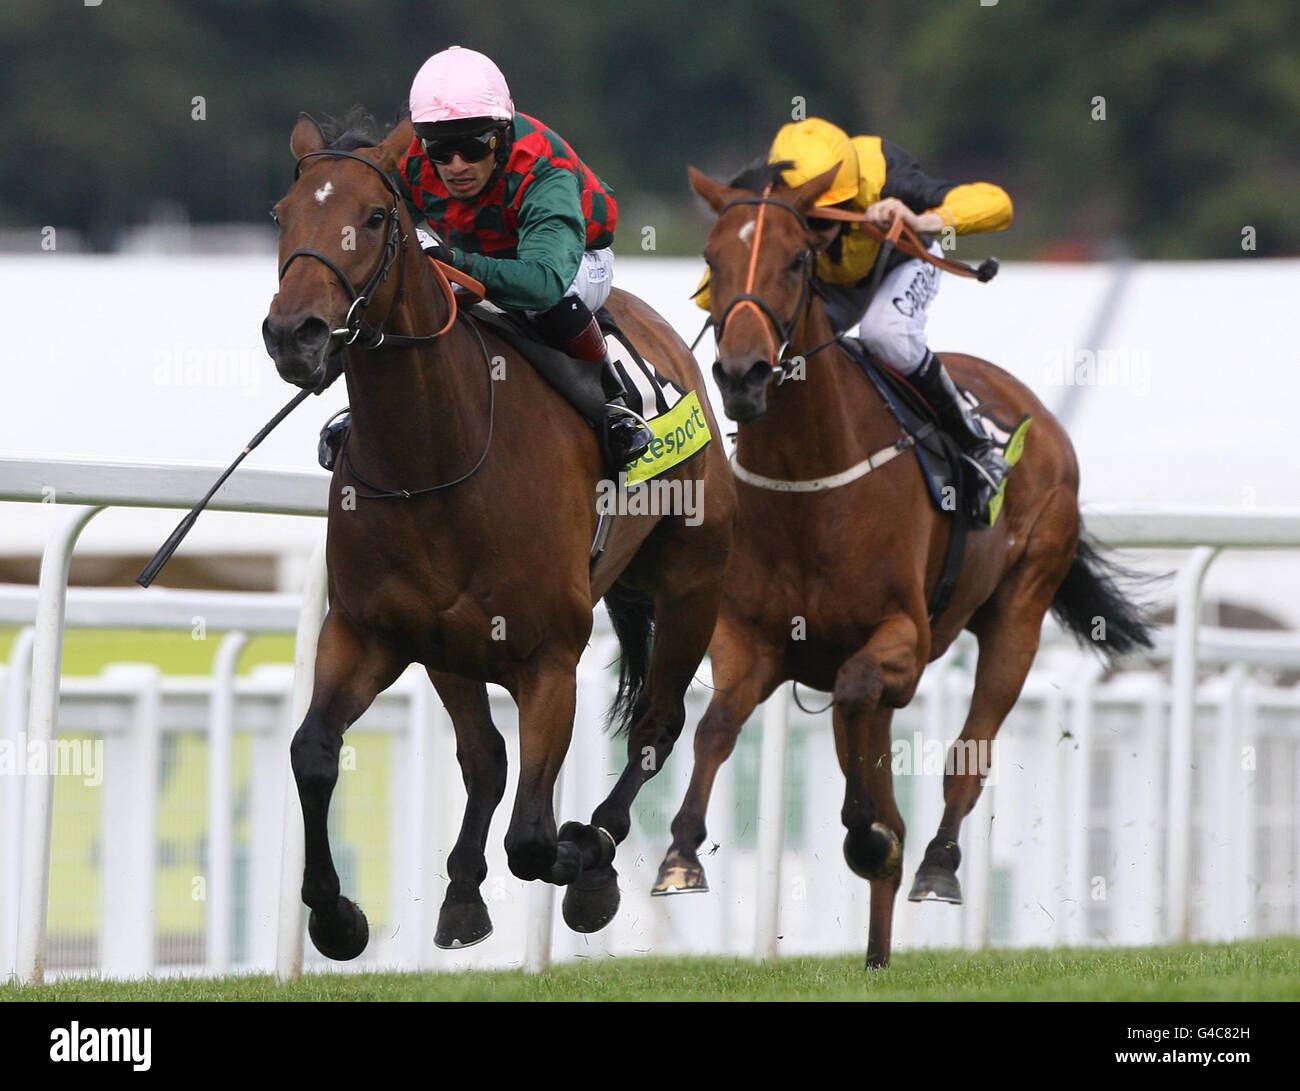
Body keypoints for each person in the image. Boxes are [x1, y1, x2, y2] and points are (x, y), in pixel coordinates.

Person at [320, 46, 652, 472]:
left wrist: (454, 261)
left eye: (474, 146)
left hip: (572, 261)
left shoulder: (543, 169)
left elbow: (542, 280)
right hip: (478, 252)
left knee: (541, 304)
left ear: (502, 134)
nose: (456, 165)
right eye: (441, 151)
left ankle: (610, 406)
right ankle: (368, 412)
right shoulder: (412, 162)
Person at [700, 117, 1015, 517]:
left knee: (886, 335)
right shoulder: (765, 192)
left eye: (823, 220)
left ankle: (976, 444)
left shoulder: (888, 177)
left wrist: (921, 220)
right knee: (779, 340)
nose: (814, 230)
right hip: (817, 280)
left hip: (894, 264)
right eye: (804, 218)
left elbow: (997, 203)